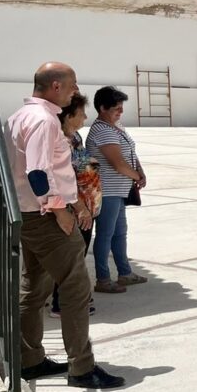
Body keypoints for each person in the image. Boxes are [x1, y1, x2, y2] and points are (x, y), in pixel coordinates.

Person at [5, 62, 124, 389]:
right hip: (45, 217)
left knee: (35, 289)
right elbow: (38, 174)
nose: (75, 92)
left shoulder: (18, 117)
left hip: (26, 215)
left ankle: (29, 360)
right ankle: (82, 368)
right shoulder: (44, 120)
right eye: (72, 85)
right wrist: (60, 211)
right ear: (56, 85)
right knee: (75, 289)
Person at [86, 86, 147, 294]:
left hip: (118, 190)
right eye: (116, 108)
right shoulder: (102, 130)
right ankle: (103, 278)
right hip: (107, 190)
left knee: (120, 233)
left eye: (121, 108)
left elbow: (129, 152)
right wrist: (137, 176)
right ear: (102, 108)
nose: (120, 112)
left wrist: (139, 170)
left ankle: (125, 272)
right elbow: (117, 163)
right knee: (105, 234)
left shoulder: (115, 126)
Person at [50, 93, 100, 318]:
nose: (85, 117)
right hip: (74, 207)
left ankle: (68, 299)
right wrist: (81, 208)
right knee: (72, 255)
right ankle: (63, 304)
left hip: (87, 205)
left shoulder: (76, 137)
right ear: (68, 116)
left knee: (78, 253)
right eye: (81, 114)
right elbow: (63, 181)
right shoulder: (60, 142)